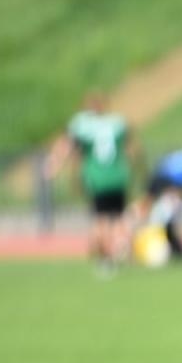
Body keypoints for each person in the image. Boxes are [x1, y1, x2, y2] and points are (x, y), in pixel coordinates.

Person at [44, 93, 140, 275]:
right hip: (119, 176)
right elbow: (131, 148)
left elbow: (67, 145)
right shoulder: (116, 123)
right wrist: (134, 168)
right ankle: (127, 253)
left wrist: (54, 164)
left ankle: (106, 260)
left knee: (101, 220)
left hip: (99, 178)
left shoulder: (83, 125)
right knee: (119, 218)